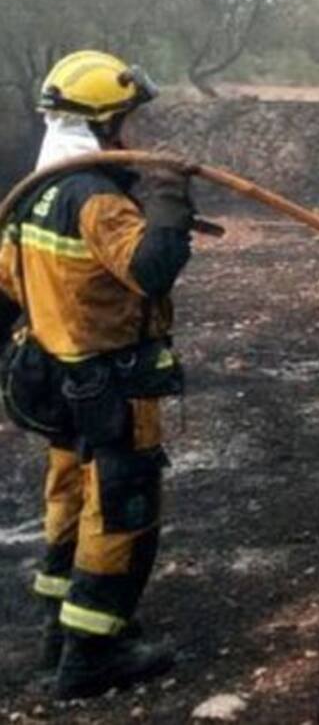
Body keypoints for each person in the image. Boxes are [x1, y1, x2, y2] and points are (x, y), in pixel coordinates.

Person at [0, 50, 195, 698]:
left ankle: (61, 630)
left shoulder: (32, 194)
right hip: (111, 385)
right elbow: (151, 267)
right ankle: (91, 659)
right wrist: (169, 195)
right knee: (121, 511)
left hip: (55, 378)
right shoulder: (95, 202)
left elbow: (9, 281)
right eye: (127, 122)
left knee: (69, 500)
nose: (132, 135)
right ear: (106, 125)